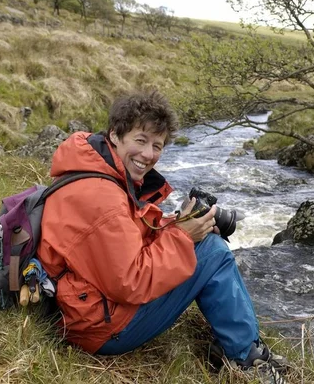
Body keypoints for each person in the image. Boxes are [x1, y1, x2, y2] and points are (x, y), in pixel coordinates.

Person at [37, 89, 286, 375]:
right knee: (214, 252)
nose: (148, 154)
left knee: (205, 245)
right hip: (98, 327)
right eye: (140, 141)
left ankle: (238, 344)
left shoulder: (96, 168)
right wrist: (183, 236)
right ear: (116, 135)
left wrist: (173, 224)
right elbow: (132, 282)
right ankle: (247, 359)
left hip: (79, 304)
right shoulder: (102, 198)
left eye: (157, 145)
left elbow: (123, 237)